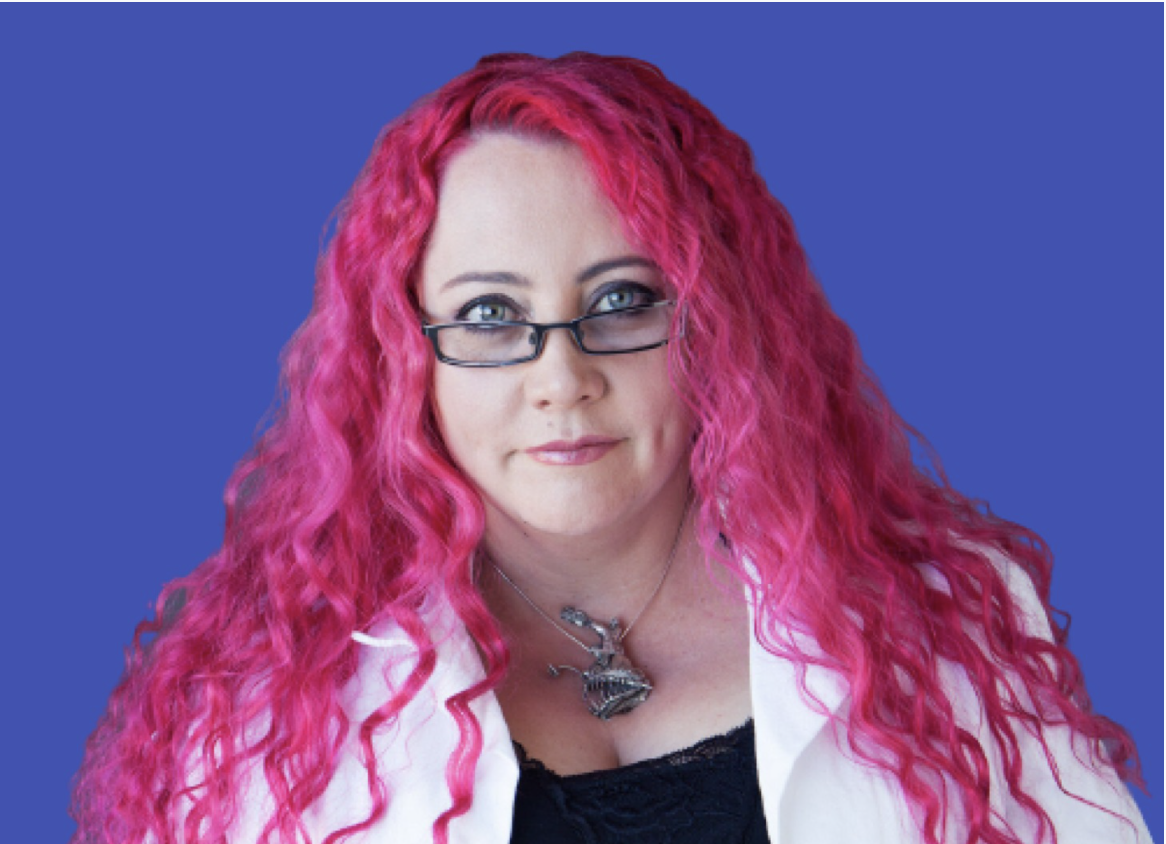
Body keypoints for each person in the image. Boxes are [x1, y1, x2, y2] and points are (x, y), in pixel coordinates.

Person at [70, 53, 1150, 844]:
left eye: (622, 300)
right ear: (403, 357)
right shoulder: (263, 704)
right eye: (489, 314)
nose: (561, 376)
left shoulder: (945, 627)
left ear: (716, 324)